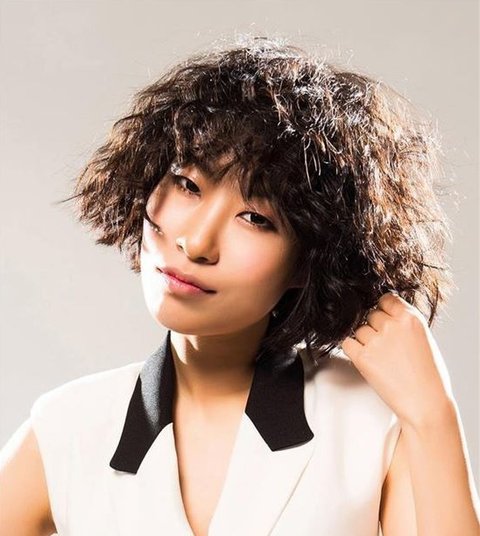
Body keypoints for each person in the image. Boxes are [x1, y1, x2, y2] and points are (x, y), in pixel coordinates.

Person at [1, 35, 478, 536]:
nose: (196, 243)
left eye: (255, 218)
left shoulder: (374, 418)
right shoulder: (69, 426)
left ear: (310, 258)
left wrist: (433, 416)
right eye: (188, 185)